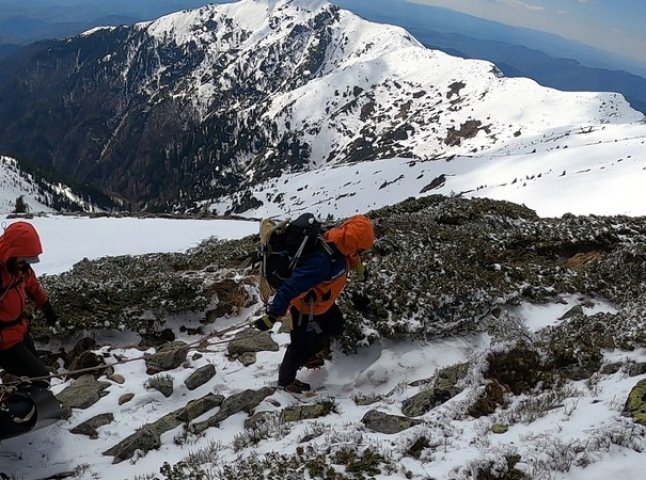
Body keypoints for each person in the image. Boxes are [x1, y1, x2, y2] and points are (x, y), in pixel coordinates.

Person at [254, 214, 375, 394]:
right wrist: (273, 315)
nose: (361, 252)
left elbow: (352, 254)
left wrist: (358, 268)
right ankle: (286, 382)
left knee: (335, 326)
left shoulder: (340, 239)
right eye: (362, 249)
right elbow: (290, 288)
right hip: (305, 308)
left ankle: (310, 355)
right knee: (299, 347)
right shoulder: (321, 262)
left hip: (322, 304)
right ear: (355, 242)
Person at [0, 221, 58, 386]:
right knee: (40, 377)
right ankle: (27, 409)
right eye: (23, 259)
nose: (25, 263)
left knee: (36, 375)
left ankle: (27, 405)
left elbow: (32, 286)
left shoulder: (19, 266)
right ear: (12, 252)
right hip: (4, 342)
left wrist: (46, 307)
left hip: (19, 331)